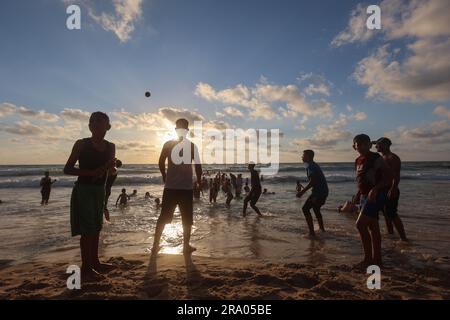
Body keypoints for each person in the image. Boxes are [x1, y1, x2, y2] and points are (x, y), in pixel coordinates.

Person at [64, 111, 116, 281]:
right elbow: (68, 169)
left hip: (99, 190)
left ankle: (95, 262)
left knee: (96, 227)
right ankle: (86, 267)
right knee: (87, 230)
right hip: (84, 190)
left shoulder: (111, 146)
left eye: (99, 121)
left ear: (107, 126)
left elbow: (109, 172)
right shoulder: (81, 144)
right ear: (89, 126)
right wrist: (91, 172)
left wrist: (107, 191)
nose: (95, 123)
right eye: (92, 121)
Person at [150, 118, 202, 257]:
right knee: (186, 218)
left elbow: (161, 161)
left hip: (171, 187)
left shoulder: (168, 144)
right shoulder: (191, 146)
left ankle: (155, 245)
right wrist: (199, 181)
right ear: (187, 130)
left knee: (164, 217)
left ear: (175, 129)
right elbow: (198, 166)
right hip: (185, 188)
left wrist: (164, 175)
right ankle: (185, 246)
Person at [353, 134, 392, 268]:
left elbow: (389, 177)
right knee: (373, 227)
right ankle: (378, 260)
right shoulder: (357, 160)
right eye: (359, 145)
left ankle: (368, 259)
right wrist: (358, 194)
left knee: (360, 225)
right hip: (365, 196)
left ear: (370, 145)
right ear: (354, 146)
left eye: (365, 144)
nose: (362, 147)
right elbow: (361, 180)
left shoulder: (376, 158)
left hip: (377, 195)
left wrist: (375, 189)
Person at [374, 137, 407, 241]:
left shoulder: (392, 157)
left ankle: (404, 239)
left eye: (378, 144)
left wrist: (393, 188)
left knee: (392, 214)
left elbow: (396, 175)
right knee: (386, 214)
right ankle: (391, 235)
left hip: (390, 189)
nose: (376, 146)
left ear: (385, 145)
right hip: (381, 189)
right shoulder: (381, 157)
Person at [296, 150, 329, 237]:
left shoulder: (311, 166)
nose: (302, 157)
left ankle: (312, 233)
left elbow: (312, 182)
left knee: (305, 209)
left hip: (319, 193)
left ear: (308, 157)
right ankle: (322, 229)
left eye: (303, 155)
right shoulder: (313, 165)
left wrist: (302, 192)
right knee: (316, 208)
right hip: (323, 191)